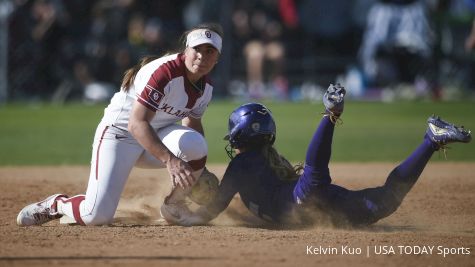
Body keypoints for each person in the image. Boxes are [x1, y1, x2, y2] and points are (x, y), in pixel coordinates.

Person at [161, 84, 472, 227]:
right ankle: (431, 139)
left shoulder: (241, 164)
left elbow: (214, 207)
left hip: (301, 197)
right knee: (382, 204)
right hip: (319, 200)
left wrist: (187, 217)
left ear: (242, 134)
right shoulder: (262, 156)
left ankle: (329, 115)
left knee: (314, 176)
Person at [16, 23, 224, 226]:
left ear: (217, 59)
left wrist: (197, 169)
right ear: (186, 50)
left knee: (196, 144)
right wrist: (171, 160)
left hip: (156, 137)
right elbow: (136, 124)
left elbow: (192, 123)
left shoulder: (206, 88)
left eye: (209, 51)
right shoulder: (165, 73)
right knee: (96, 216)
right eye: (197, 49)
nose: (202, 56)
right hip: (120, 135)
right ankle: (56, 205)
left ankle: (174, 205)